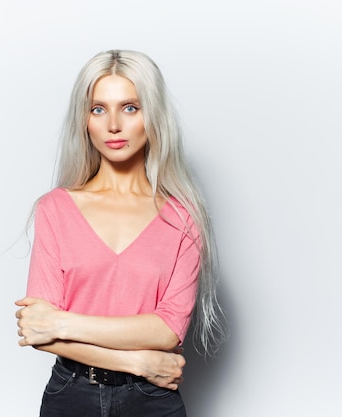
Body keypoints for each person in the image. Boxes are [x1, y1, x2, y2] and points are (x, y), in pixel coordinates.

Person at [15, 49, 226, 417]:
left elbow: (166, 331)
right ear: (85, 120)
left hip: (152, 401)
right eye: (99, 109)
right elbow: (37, 333)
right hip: (72, 395)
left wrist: (63, 321)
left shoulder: (183, 216)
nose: (113, 124)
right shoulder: (55, 208)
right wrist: (138, 363)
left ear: (153, 116)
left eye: (130, 107)